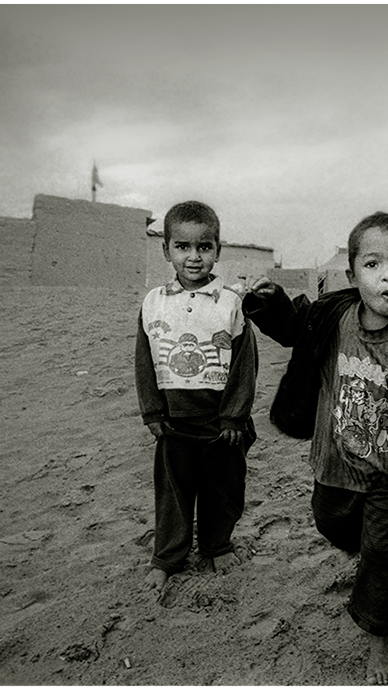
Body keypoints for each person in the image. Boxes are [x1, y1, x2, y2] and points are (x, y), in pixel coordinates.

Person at [242, 212, 388, 685]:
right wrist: (267, 304)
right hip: (334, 459)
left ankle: (379, 635)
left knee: (378, 549)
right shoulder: (333, 316)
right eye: (372, 264)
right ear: (352, 275)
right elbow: (292, 325)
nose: (387, 276)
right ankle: (365, 559)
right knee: (328, 521)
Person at [134, 200, 258, 593]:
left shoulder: (230, 304)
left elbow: (244, 364)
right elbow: (144, 359)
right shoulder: (153, 302)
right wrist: (152, 410)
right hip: (173, 424)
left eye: (204, 247)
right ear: (166, 250)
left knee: (224, 489)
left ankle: (216, 545)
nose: (194, 257)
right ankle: (168, 556)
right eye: (183, 247)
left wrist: (234, 416)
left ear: (217, 250)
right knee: (173, 493)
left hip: (221, 424)